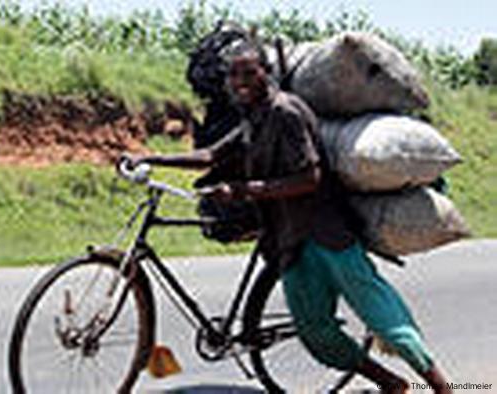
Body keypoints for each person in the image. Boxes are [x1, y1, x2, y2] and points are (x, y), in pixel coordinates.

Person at [122, 37, 453, 393]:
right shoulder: (254, 117)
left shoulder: (286, 112)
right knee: (317, 333)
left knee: (385, 321)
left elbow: (308, 179)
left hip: (328, 236)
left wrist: (246, 190)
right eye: (233, 75)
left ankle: (441, 388)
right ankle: (390, 383)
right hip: (290, 240)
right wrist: (151, 158)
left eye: (248, 73)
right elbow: (212, 156)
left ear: (266, 73)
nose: (240, 82)